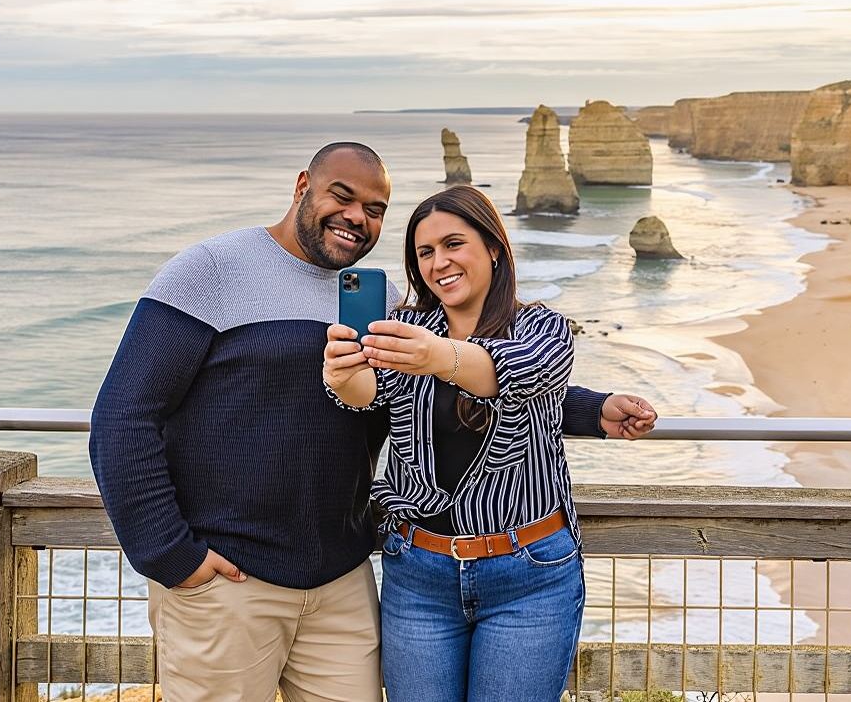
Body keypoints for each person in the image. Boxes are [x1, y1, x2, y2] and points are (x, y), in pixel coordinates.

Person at [90, 142, 656, 702]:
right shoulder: (212, 269)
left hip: (342, 582)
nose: (357, 217)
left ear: (495, 251)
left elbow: (461, 386)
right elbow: (123, 414)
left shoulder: (377, 300)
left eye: (376, 209)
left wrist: (587, 407)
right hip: (233, 583)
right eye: (343, 195)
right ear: (301, 187)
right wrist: (169, 554)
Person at [324, 184, 591, 702]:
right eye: (425, 252)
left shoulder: (544, 328)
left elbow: (518, 373)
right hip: (419, 574)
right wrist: (341, 376)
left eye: (453, 244)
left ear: (493, 246)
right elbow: (366, 395)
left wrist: (437, 356)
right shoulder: (403, 326)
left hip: (529, 573)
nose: (438, 262)